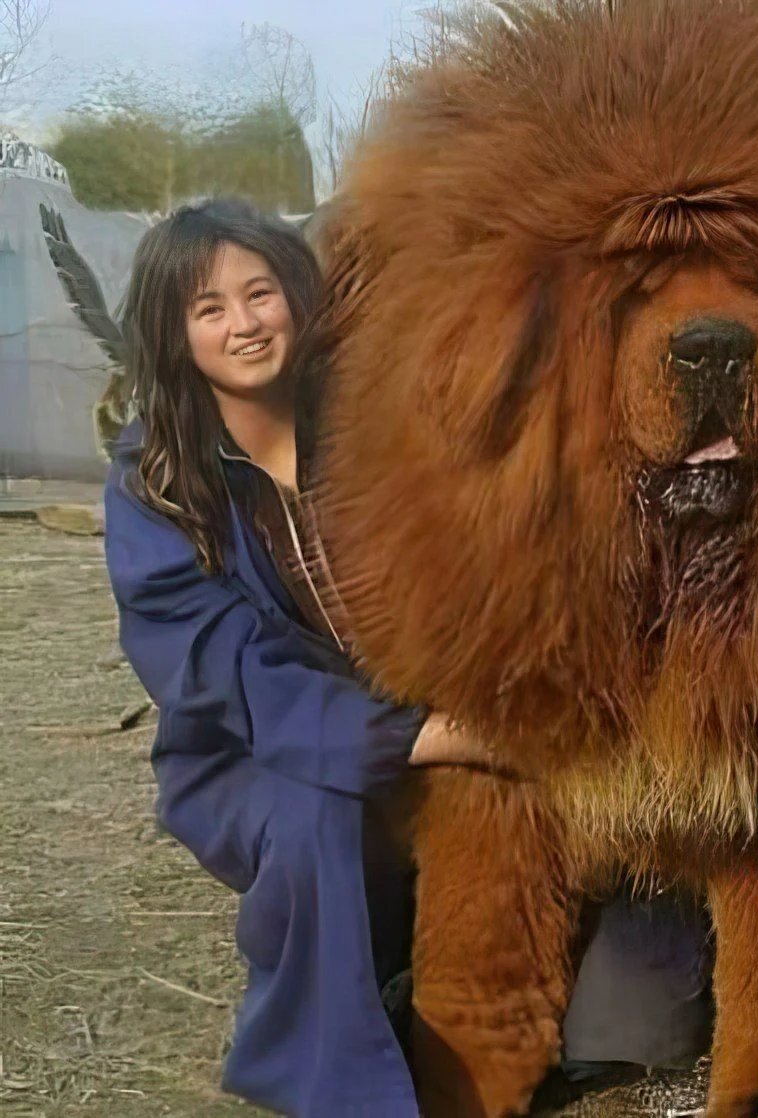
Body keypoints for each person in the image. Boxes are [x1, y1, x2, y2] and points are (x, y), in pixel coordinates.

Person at [103, 198, 712, 1117]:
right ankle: (340, 1076)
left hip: (462, 726)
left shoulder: (378, 417)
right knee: (314, 818)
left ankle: (562, 953)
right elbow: (224, 675)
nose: (244, 324)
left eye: (259, 293)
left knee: (628, 1029)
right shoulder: (156, 482)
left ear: (294, 295)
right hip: (272, 751)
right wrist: (423, 735)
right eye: (209, 308)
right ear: (172, 332)